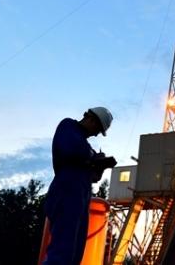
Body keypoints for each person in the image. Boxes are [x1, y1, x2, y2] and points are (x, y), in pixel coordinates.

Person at [43, 107, 116, 265]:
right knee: (62, 253)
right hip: (66, 194)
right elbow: (73, 150)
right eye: (98, 129)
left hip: (80, 200)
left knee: (74, 255)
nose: (96, 134)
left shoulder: (86, 146)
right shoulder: (68, 126)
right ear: (91, 119)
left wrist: (100, 166)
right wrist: (94, 158)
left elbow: (93, 177)